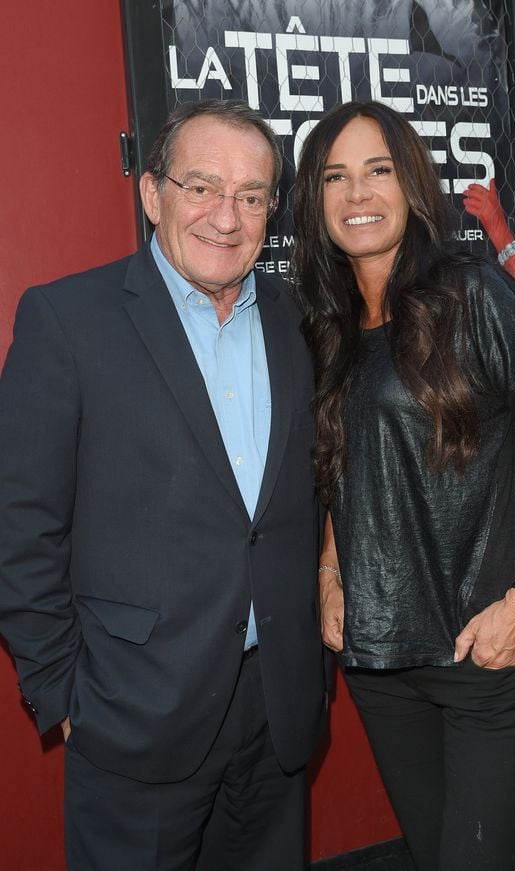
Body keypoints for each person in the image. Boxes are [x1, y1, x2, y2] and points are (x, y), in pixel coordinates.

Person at [0, 99, 326, 871]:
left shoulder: (293, 319)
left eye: (251, 195)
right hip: (134, 713)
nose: (226, 215)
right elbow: (19, 523)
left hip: (275, 707)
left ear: (271, 209)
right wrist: (63, 693)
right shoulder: (67, 319)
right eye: (201, 186)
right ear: (152, 194)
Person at [292, 100, 515, 871]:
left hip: (489, 655)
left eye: (377, 171)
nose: (358, 195)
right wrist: (329, 569)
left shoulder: (475, 291)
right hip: (383, 664)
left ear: (411, 182)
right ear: (314, 203)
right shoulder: (326, 324)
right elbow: (343, 463)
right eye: (335, 177)